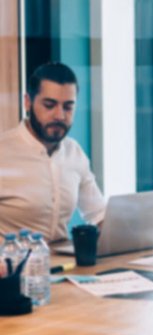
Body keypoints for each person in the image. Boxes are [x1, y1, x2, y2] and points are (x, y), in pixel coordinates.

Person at [0, 62, 105, 241]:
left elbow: (99, 214)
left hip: (62, 264)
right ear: (27, 102)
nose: (60, 116)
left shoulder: (74, 152)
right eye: (49, 105)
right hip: (12, 265)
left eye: (68, 107)